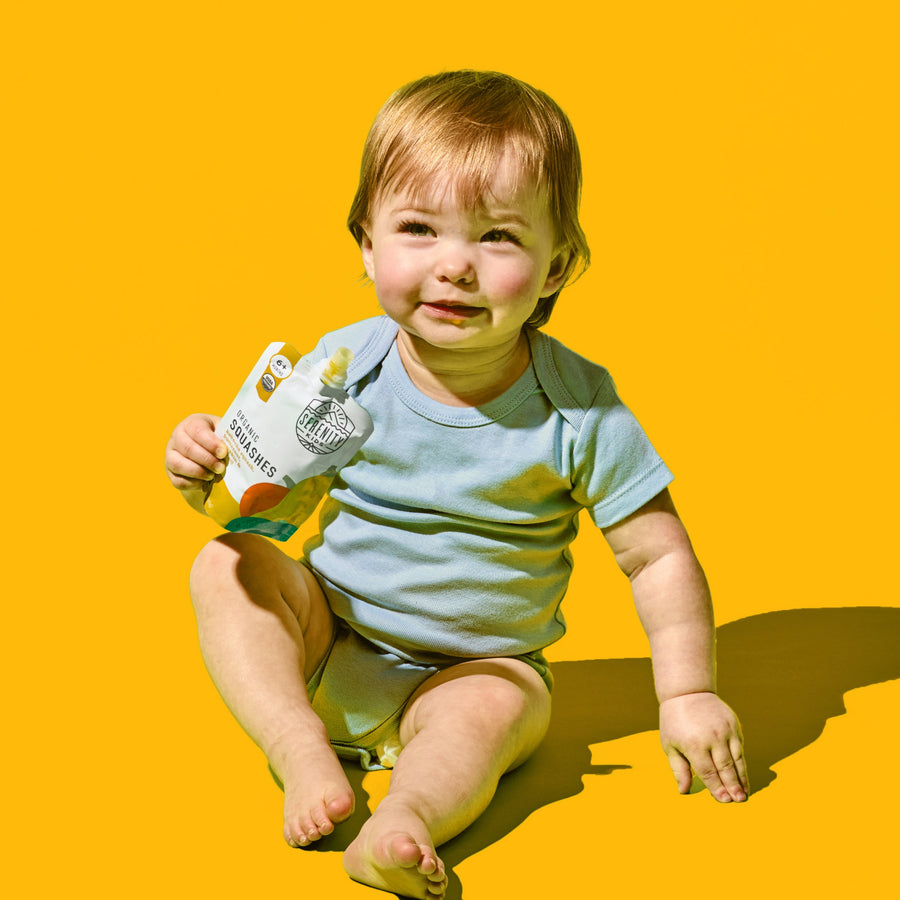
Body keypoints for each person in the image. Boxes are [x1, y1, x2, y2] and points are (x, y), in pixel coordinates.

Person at [164, 70, 749, 899]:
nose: (455, 266)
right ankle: (298, 748)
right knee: (223, 566)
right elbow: (269, 512)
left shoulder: (576, 407)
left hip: (478, 669)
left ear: (557, 267)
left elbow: (657, 559)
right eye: (417, 229)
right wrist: (209, 470)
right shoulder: (346, 364)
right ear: (366, 244)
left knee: (498, 708)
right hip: (330, 638)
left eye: (499, 237)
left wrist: (688, 693)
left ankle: (407, 823)